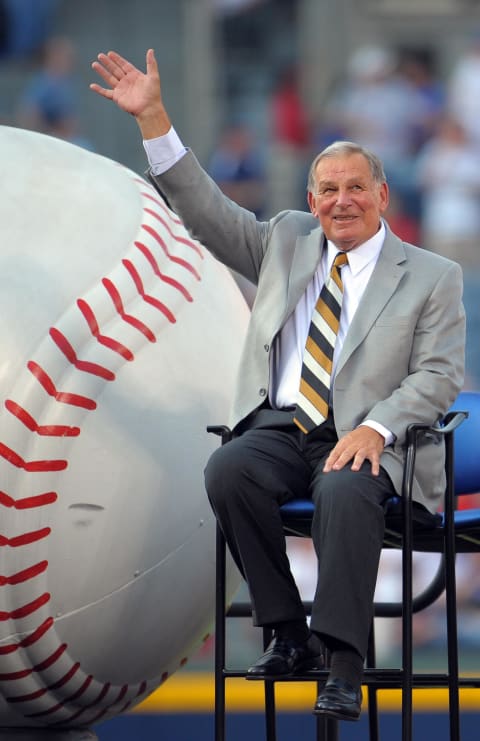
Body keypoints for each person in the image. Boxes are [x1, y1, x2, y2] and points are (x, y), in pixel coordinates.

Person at [90, 49, 465, 723]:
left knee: (345, 486)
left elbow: (439, 376)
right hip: (282, 426)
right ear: (310, 199)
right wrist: (154, 120)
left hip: (372, 440)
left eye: (355, 187)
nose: (341, 200)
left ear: (383, 195)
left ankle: (343, 666)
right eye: (327, 189)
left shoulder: (432, 274)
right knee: (229, 468)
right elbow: (204, 211)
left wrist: (374, 427)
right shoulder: (288, 241)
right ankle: (288, 633)